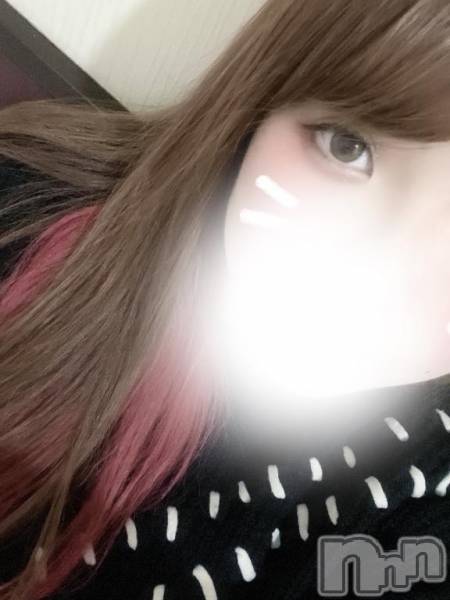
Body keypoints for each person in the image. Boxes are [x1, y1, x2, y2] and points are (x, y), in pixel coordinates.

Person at [0, 0, 448, 598]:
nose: (382, 268)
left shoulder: (423, 488)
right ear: (261, 100)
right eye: (347, 146)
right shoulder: (25, 210)